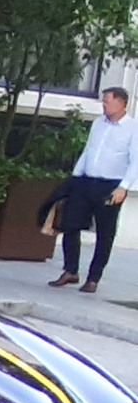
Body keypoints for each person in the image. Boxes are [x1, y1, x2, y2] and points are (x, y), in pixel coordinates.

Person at [50, 86, 137, 294]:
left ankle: (93, 277)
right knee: (70, 223)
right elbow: (89, 150)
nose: (104, 105)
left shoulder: (133, 128)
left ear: (121, 103)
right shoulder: (98, 123)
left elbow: (135, 161)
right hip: (86, 181)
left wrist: (123, 187)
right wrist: (76, 176)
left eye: (107, 101)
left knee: (104, 233)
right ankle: (70, 269)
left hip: (111, 185)